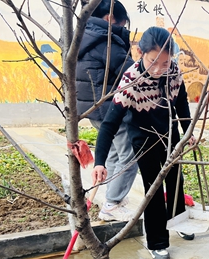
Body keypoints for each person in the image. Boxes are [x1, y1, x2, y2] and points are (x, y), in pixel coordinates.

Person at [92, 27, 195, 259]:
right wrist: (99, 162)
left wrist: (188, 130)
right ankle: (157, 242)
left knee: (176, 180)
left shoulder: (173, 71)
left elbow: (181, 102)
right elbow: (109, 125)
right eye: (153, 61)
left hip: (170, 134)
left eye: (165, 62)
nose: (159, 69)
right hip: (145, 139)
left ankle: (178, 221)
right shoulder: (130, 82)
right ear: (140, 53)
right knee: (154, 189)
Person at [76, 0, 137, 222]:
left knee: (112, 153)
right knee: (130, 155)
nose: (124, 28)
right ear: (110, 19)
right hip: (112, 108)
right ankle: (112, 203)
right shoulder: (106, 41)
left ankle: (113, 198)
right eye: (122, 24)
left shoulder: (84, 37)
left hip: (93, 107)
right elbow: (131, 71)